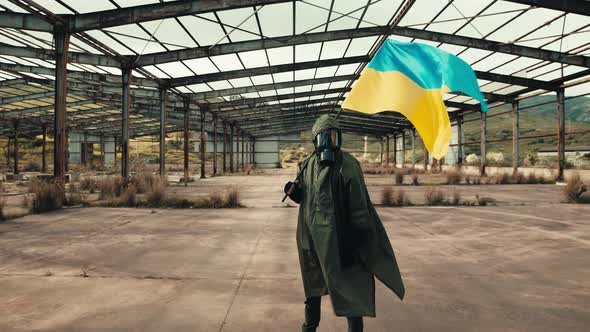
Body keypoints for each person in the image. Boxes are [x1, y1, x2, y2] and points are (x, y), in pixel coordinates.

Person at [284, 114, 405, 332]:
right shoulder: (306, 165)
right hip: (310, 238)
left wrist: (360, 236)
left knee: (352, 285)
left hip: (341, 239)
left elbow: (359, 207)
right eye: (323, 137)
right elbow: (306, 198)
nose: (328, 143)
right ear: (315, 140)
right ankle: (309, 326)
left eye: (332, 137)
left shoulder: (348, 165)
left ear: (339, 138)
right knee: (312, 284)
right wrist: (295, 193)